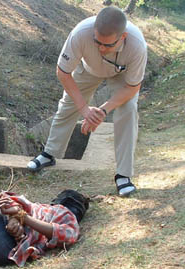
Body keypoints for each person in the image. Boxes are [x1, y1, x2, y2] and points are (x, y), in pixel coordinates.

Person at [27, 7, 147, 197]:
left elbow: (132, 87)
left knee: (128, 110)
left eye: (107, 45)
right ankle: (49, 154)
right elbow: (63, 72)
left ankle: (123, 175)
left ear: (122, 36)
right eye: (97, 42)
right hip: (88, 69)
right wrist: (84, 109)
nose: (101, 48)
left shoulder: (137, 45)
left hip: (121, 76)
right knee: (68, 103)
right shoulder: (80, 33)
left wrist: (102, 111)